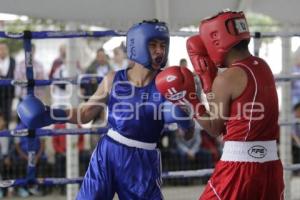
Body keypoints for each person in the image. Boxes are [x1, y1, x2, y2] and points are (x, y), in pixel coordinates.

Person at [17, 19, 193, 200]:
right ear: (137, 45)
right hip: (108, 153)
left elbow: (186, 135)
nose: (159, 51)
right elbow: (85, 114)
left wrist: (185, 120)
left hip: (143, 162)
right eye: (153, 45)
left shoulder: (168, 86)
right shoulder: (113, 79)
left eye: (163, 45)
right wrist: (50, 114)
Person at [156, 10, 284, 199]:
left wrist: (189, 100)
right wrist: (209, 83)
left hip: (239, 168)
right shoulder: (262, 65)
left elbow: (215, 128)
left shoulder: (227, 79)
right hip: (271, 166)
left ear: (216, 40)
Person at [0, 42, 16, 128]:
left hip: (9, 93)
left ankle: (7, 139)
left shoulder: (13, 61)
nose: (2, 51)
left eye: (4, 49)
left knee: (7, 116)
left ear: (7, 50)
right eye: (0, 49)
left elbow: (16, 75)